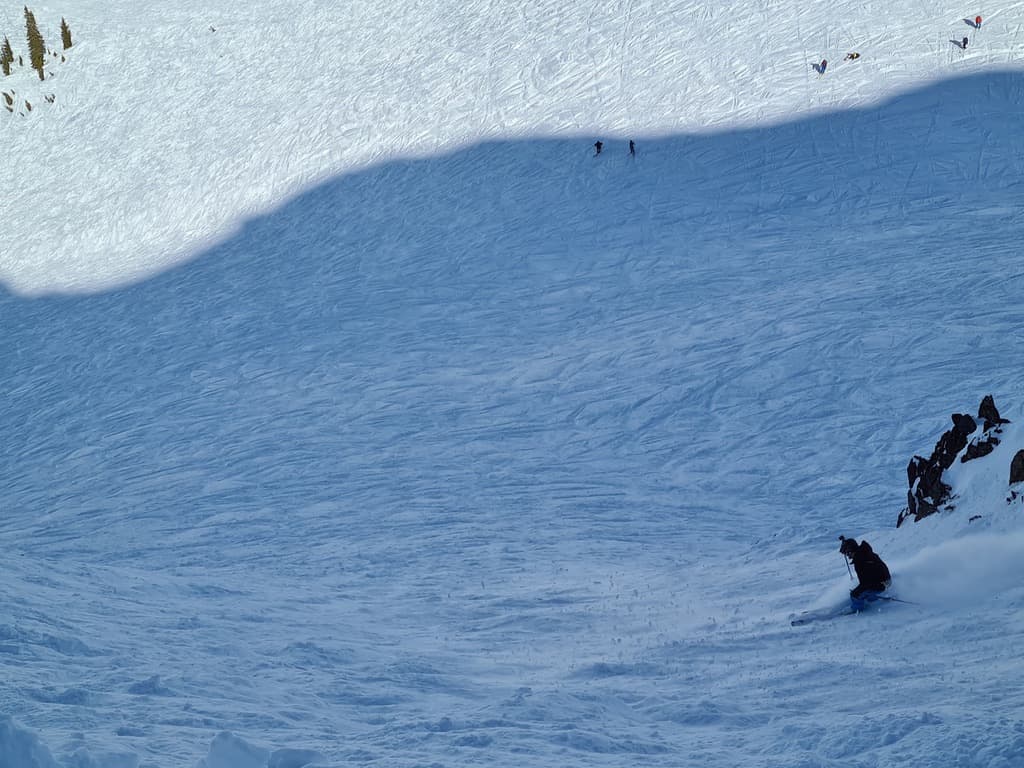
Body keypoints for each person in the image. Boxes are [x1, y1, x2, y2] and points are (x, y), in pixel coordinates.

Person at [839, 536, 891, 609]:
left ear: (851, 550)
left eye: (847, 553)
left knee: (855, 595)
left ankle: (858, 609)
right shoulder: (864, 552)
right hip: (886, 580)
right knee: (863, 590)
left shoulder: (860, 561)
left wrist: (857, 591)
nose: (848, 556)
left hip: (881, 584)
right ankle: (873, 598)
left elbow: (865, 582)